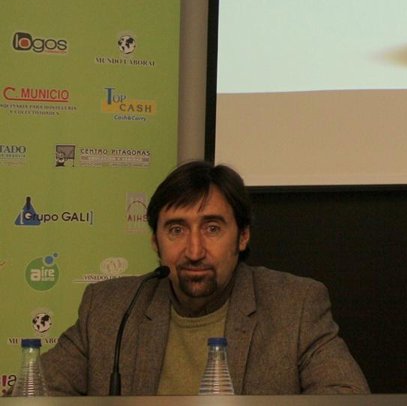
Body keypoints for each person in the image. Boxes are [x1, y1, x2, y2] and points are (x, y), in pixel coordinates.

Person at [42, 160, 369, 395]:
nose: (194, 250)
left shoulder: (295, 305)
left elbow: (346, 396)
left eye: (212, 228)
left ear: (242, 237)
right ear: (155, 241)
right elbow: (35, 394)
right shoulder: (109, 309)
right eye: (176, 230)